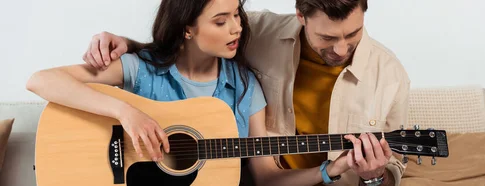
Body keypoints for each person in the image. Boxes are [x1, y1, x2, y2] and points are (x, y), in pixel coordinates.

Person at [26, 0, 377, 185]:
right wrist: (125, 112)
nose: (237, 28)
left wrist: (332, 169)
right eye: (220, 21)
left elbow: (267, 178)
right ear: (188, 29)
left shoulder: (244, 88)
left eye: (237, 15)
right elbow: (41, 80)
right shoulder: (142, 69)